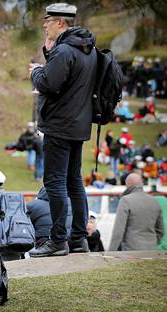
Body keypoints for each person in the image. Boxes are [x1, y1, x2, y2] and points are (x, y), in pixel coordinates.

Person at [28, 3, 97, 257]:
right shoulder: (87, 48)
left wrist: (36, 72)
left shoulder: (65, 50)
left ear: (60, 23)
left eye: (48, 21)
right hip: (79, 124)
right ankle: (78, 238)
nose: (44, 24)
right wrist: (49, 54)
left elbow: (49, 83)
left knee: (55, 182)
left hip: (59, 125)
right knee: (74, 181)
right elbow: (68, 79)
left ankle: (58, 241)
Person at [109, 173, 163, 251]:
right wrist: (153, 242)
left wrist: (111, 252)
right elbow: (160, 230)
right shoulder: (154, 201)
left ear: (128, 184)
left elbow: (118, 232)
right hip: (152, 249)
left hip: (131, 250)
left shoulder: (125, 200)